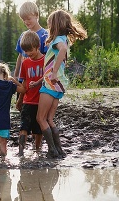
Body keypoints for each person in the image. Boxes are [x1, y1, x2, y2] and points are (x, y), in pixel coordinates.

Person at [36, 9, 87, 158]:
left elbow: (62, 50)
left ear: (55, 24)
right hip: (59, 85)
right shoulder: (64, 39)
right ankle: (59, 151)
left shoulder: (58, 40)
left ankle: (52, 150)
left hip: (51, 83)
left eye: (49, 23)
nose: (48, 26)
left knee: (41, 118)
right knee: (50, 119)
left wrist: (53, 72)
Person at [13, 1, 49, 111]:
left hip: (37, 79)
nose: (26, 21)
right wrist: (16, 76)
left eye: (29, 18)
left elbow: (47, 59)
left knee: (37, 108)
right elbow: (20, 56)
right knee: (22, 107)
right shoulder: (23, 35)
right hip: (23, 78)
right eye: (24, 19)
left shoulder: (45, 35)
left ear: (36, 15)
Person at [16, 31, 46, 156]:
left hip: (41, 101)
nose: (28, 54)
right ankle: (21, 151)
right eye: (26, 52)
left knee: (38, 129)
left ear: (38, 46)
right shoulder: (25, 63)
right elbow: (24, 83)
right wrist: (20, 99)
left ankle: (37, 149)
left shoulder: (45, 61)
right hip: (28, 101)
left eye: (30, 51)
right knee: (24, 127)